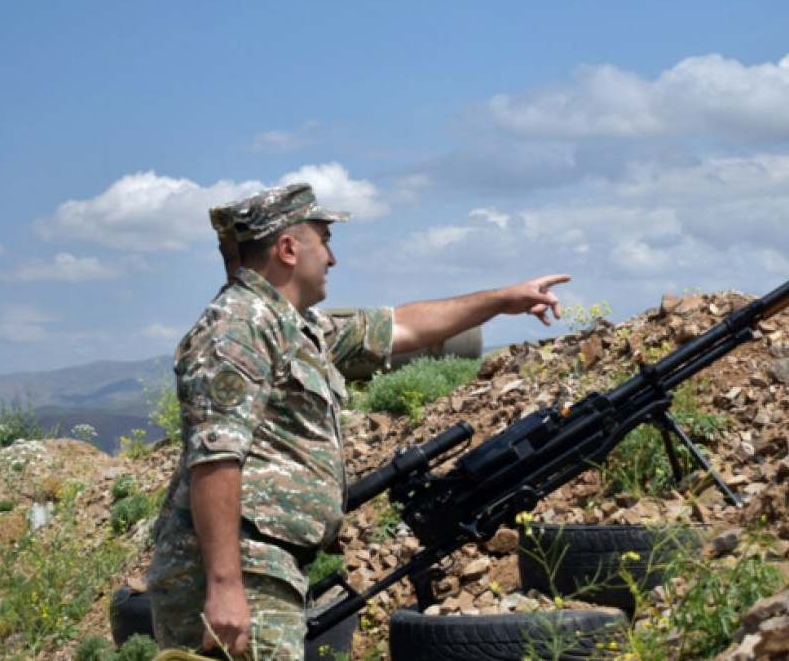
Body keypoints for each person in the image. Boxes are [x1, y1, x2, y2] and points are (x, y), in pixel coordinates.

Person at [148, 183, 569, 659]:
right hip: (238, 570)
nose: (332, 258)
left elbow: (402, 326)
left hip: (266, 568)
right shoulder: (238, 327)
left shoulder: (294, 326)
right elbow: (216, 458)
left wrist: (503, 299)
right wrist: (225, 587)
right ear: (288, 249)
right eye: (324, 240)